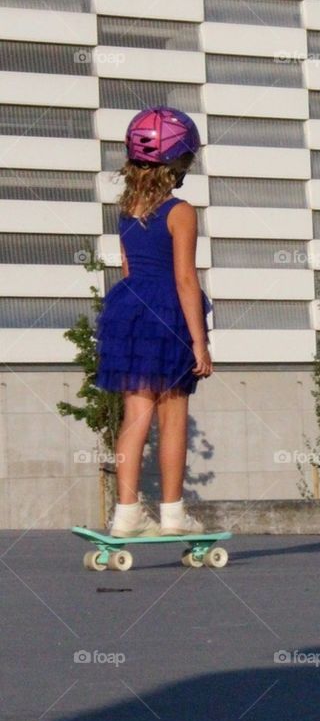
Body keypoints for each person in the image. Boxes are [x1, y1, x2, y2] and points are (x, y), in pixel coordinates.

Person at [95, 107, 213, 537]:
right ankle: (173, 515)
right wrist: (199, 343)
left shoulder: (127, 210)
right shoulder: (179, 211)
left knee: (135, 415)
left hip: (128, 310)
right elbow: (185, 278)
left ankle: (126, 514)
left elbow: (128, 268)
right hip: (168, 311)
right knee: (173, 416)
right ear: (176, 163)